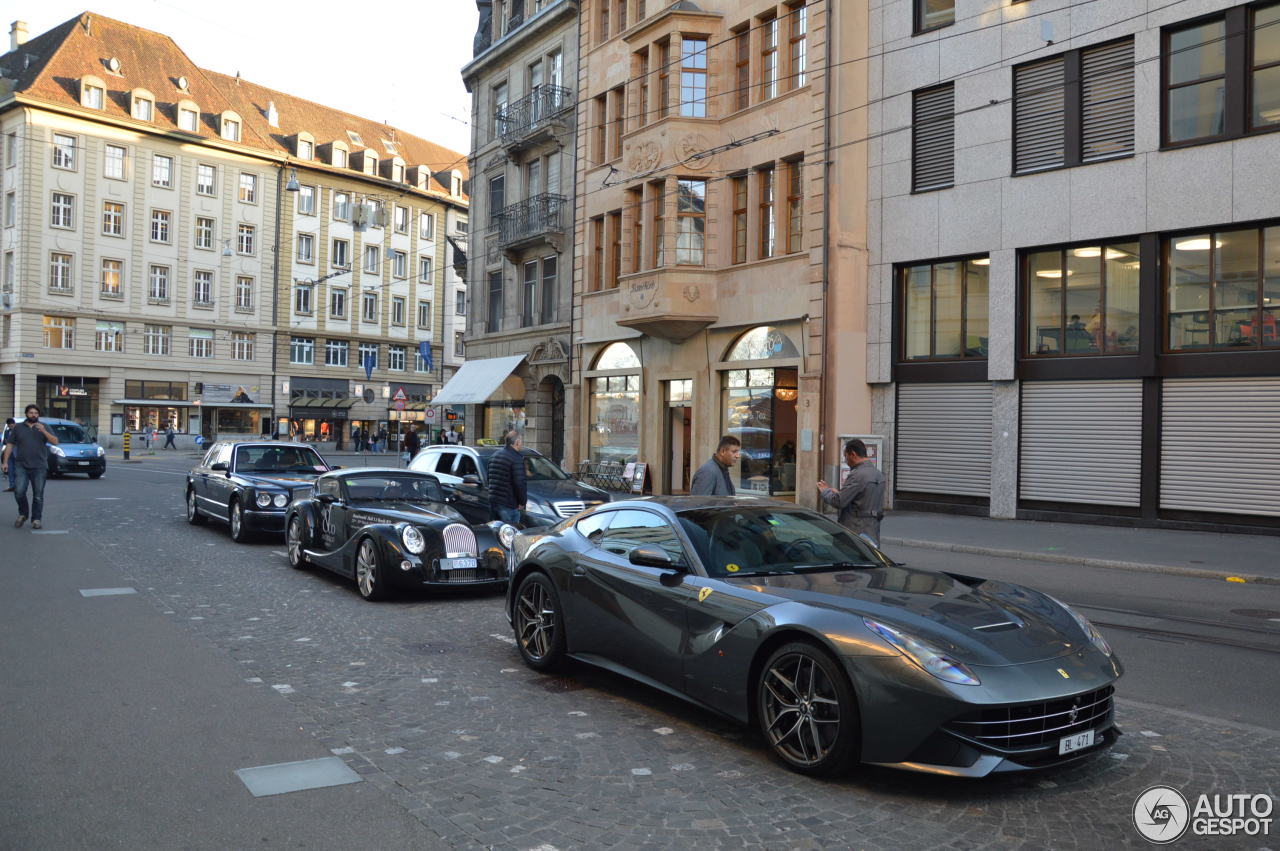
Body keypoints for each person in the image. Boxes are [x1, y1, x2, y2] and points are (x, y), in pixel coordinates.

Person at [817, 439, 886, 547]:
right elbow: (863, 498)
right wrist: (840, 493)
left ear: (853, 454)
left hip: (855, 529)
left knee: (850, 559)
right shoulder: (878, 474)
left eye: (846, 456)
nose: (846, 460)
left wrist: (825, 492)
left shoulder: (857, 475)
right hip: (872, 530)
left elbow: (839, 502)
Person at [1, 404, 60, 529]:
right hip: (21, 465)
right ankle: (23, 514)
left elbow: (55, 441)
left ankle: (36, 519)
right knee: (19, 492)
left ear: (38, 415)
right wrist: (5, 462)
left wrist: (43, 430)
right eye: (31, 412)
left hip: (39, 466)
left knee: (38, 494)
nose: (34, 415)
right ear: (26, 414)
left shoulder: (45, 426)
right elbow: (10, 445)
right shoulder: (18, 428)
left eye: (36, 413)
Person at [486, 429, 526, 525]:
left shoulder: (494, 456)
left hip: (493, 502)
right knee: (510, 535)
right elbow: (519, 483)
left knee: (495, 532)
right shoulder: (516, 458)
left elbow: (489, 479)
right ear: (517, 442)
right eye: (521, 441)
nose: (522, 444)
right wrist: (522, 502)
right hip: (509, 504)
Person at [2, 418, 15, 492]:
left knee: (17, 470)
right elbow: (4, 441)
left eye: (12, 424)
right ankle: (12, 485)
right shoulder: (7, 432)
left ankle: (18, 486)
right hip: (9, 453)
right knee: (10, 470)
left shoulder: (18, 431)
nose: (11, 426)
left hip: (17, 453)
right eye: (9, 425)